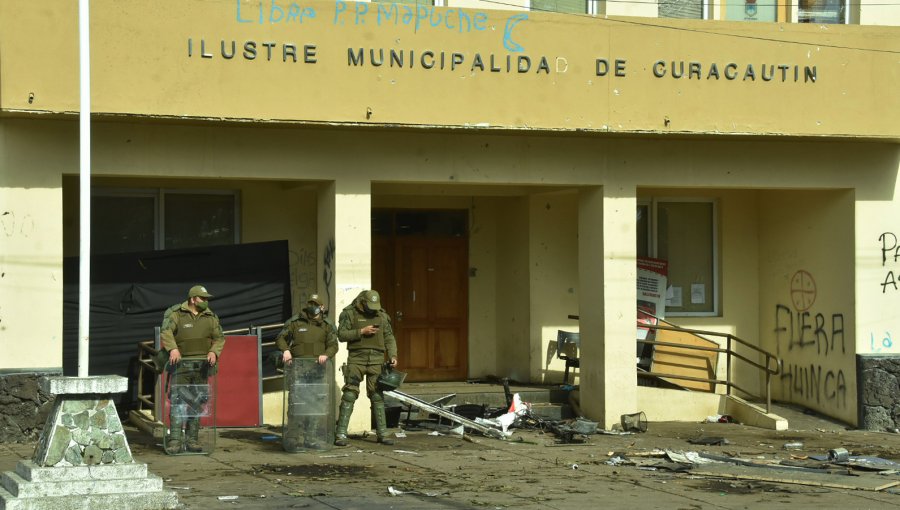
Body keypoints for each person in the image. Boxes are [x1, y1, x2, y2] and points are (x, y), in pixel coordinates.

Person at [160, 285, 226, 454]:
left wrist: (213, 352)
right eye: (202, 298)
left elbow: (220, 338)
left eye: (206, 299)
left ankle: (192, 440)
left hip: (201, 367)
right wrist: (172, 348)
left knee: (196, 402)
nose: (206, 301)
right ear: (192, 299)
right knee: (177, 400)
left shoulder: (210, 317)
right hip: (180, 366)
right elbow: (166, 331)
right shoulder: (176, 314)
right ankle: (175, 439)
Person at [334, 289, 398, 446]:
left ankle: (382, 434)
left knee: (377, 395)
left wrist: (393, 355)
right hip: (356, 359)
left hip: (376, 360)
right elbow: (341, 335)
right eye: (370, 305)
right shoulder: (349, 313)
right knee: (350, 394)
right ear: (362, 302)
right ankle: (340, 434)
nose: (372, 309)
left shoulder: (382, 316)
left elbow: (389, 337)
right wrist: (361, 331)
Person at [276, 294, 338, 450]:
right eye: (310, 303)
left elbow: (333, 345)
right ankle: (293, 438)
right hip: (298, 370)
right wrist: (286, 350)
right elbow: (280, 338)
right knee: (296, 404)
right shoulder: (295, 322)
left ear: (322, 308)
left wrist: (326, 355)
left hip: (318, 370)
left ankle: (310, 438)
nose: (312, 306)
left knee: (315, 405)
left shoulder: (327, 325)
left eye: (316, 304)